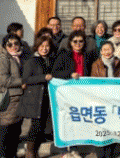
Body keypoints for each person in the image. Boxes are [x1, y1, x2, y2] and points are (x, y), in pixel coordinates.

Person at [53, 30, 94, 158]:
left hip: (81, 94)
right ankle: (64, 151)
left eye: (81, 41)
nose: (78, 43)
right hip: (66, 93)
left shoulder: (87, 56)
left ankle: (74, 149)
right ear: (70, 43)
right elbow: (55, 72)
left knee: (76, 120)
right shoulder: (64, 55)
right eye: (75, 41)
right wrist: (69, 75)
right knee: (65, 120)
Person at [18, 35, 56, 158]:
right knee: (36, 126)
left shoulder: (51, 60)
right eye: (41, 46)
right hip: (35, 98)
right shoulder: (32, 61)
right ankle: (30, 152)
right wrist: (43, 77)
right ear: (37, 47)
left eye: (47, 46)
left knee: (42, 127)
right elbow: (26, 79)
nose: (44, 49)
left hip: (46, 98)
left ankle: (35, 151)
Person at [0, 34, 25, 158]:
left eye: (16, 43)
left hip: (19, 98)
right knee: (6, 129)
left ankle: (11, 154)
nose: (13, 46)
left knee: (15, 130)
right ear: (5, 46)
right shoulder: (3, 59)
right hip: (9, 98)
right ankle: (2, 155)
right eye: (9, 44)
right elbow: (3, 80)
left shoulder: (19, 57)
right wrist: (22, 82)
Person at [91, 41, 120, 158]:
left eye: (109, 49)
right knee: (100, 126)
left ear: (113, 50)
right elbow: (93, 83)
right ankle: (100, 153)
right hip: (101, 100)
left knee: (112, 127)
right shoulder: (96, 64)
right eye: (104, 50)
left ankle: (110, 153)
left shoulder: (118, 63)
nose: (107, 52)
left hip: (114, 99)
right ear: (101, 52)